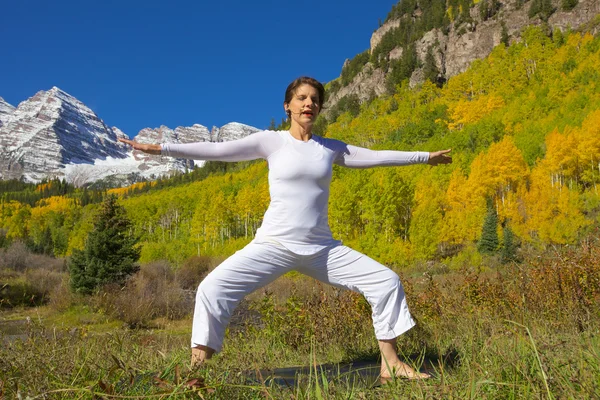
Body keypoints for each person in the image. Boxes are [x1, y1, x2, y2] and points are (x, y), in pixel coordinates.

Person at [119, 76, 451, 381]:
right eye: (302, 98)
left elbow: (377, 156)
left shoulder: (330, 148)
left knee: (386, 281)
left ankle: (391, 364)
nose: (309, 103)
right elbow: (217, 150)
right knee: (211, 289)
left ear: (319, 108)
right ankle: (197, 370)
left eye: (315, 100)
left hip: (322, 249)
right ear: (288, 106)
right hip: (274, 245)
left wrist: (425, 157)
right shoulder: (271, 142)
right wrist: (161, 149)